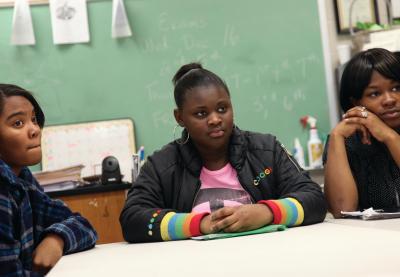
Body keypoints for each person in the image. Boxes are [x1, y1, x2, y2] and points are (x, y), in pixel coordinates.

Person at [120, 63, 326, 243]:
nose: (215, 119)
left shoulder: (267, 150)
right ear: (179, 117)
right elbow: (132, 220)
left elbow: (314, 200)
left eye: (222, 109)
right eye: (201, 113)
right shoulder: (162, 165)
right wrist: (200, 224)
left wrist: (267, 212)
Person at [0, 84, 98, 276]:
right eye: (18, 123)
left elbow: (83, 225)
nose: (35, 130)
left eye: (34, 120)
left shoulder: (23, 180)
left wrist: (56, 239)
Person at [324, 48, 400, 217]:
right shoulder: (347, 142)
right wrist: (337, 137)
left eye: (396, 88)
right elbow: (343, 210)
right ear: (356, 102)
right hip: (371, 238)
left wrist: (389, 136)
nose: (389, 99)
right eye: (375, 93)